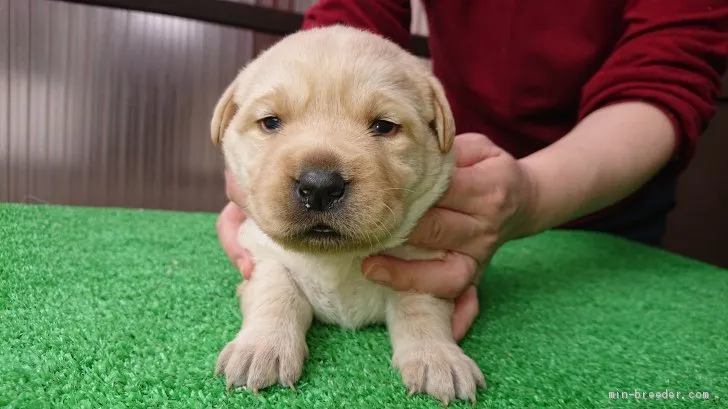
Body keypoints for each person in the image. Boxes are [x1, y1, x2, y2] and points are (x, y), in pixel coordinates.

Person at [217, 0, 728, 340]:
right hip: (457, 164)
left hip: (606, 201)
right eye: (271, 122)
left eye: (380, 125)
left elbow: (668, 69)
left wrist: (536, 192)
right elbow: (355, 14)